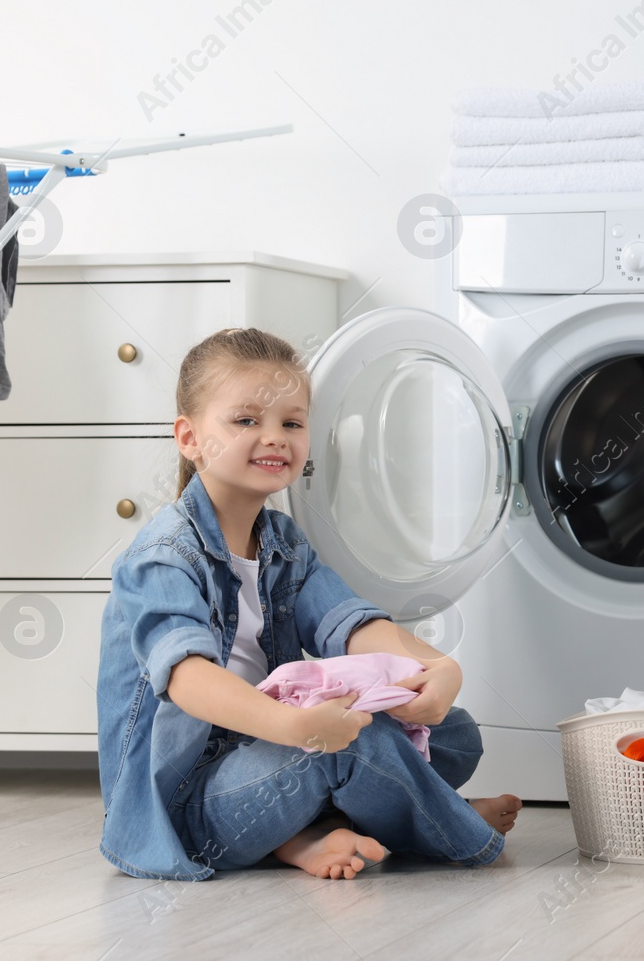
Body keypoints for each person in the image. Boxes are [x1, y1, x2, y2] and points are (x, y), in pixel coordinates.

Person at [96, 327, 521, 881]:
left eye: (291, 423)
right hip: (188, 806)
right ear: (190, 437)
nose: (274, 437)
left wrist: (440, 668)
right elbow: (187, 678)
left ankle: (301, 836)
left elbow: (350, 623)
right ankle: (450, 827)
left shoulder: (282, 541)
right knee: (360, 743)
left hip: (270, 754)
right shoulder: (162, 556)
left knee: (452, 734)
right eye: (247, 420)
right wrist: (297, 730)